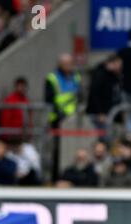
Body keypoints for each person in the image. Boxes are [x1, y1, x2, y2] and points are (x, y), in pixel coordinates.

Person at [45, 53, 82, 182]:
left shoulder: (76, 77)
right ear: (59, 64)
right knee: (58, 151)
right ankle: (56, 178)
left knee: (74, 148)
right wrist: (61, 114)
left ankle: (72, 177)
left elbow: (80, 96)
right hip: (58, 120)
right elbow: (49, 100)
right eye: (65, 64)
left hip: (74, 119)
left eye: (70, 63)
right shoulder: (52, 78)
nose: (68, 66)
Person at [86, 54, 123, 133]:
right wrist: (100, 113)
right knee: (104, 137)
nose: (120, 67)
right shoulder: (100, 74)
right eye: (119, 64)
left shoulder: (114, 75)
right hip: (99, 114)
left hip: (110, 113)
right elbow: (95, 94)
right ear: (112, 63)